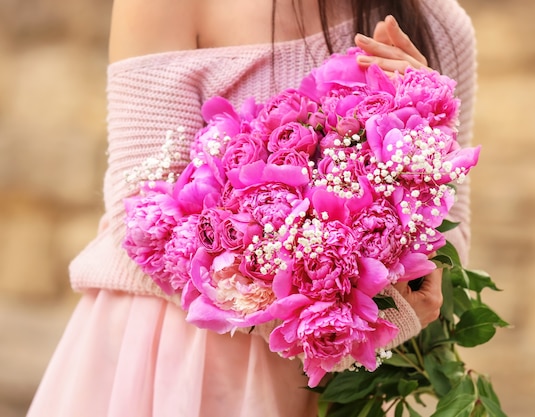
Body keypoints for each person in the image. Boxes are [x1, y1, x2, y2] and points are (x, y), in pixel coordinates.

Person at [27, 0, 475, 416]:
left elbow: (449, 238)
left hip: (344, 384)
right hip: (182, 359)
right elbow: (143, 221)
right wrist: (343, 330)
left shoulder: (434, 20)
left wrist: (427, 116)